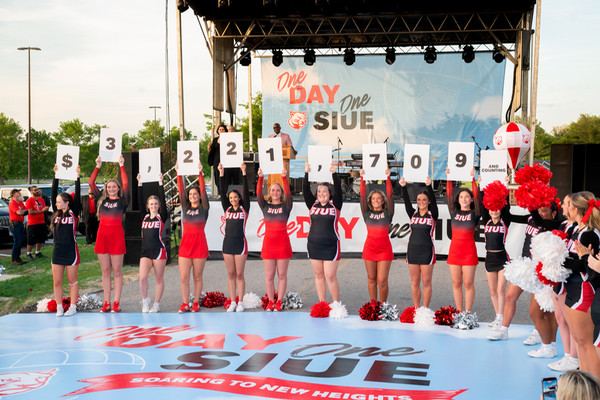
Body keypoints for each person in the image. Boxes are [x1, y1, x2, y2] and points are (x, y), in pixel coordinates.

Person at [488, 202, 562, 357]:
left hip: (540, 269)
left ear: (554, 213)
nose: (540, 213)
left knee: (537, 308)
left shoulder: (553, 225)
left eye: (544, 210)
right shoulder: (530, 218)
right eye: (539, 210)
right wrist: (502, 199)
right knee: (510, 297)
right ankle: (504, 330)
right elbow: (510, 217)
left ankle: (537, 333)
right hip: (525, 264)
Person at [562, 192, 600, 377]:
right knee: (578, 340)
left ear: (576, 209)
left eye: (568, 204)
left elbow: (584, 265)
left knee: (586, 343)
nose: (566, 207)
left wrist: (559, 260)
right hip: (572, 289)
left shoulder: (590, 234)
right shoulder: (576, 230)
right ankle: (585, 384)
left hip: (582, 290)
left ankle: (594, 387)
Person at [89, 155, 129, 313]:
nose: (111, 189)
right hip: (102, 237)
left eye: (114, 187)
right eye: (109, 187)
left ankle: (116, 302)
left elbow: (126, 183)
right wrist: (97, 165)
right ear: (106, 189)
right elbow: (91, 183)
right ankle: (106, 302)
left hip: (116, 237)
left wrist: (121, 166)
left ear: (118, 188)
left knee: (117, 271)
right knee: (105, 272)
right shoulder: (102, 200)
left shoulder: (123, 201)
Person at [303, 163, 343, 304]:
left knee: (330, 276)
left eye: (324, 192)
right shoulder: (312, 204)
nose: (321, 194)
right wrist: (307, 173)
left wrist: (334, 174)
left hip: (331, 246)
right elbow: (305, 190)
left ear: (329, 193)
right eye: (319, 192)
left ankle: (336, 304)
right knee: (319, 275)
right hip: (314, 246)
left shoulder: (335, 205)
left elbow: (338, 190)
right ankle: (322, 304)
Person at [548, 194, 579, 372]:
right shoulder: (562, 224)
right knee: (560, 318)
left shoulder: (576, 228)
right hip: (557, 276)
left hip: (569, 279)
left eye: (566, 203)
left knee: (570, 320)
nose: (562, 205)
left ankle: (573, 359)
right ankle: (567, 355)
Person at [257, 167, 293, 311]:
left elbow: (289, 195)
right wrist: (261, 178)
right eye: (273, 190)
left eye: (278, 190)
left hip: (283, 244)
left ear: (281, 193)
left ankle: (279, 302)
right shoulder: (265, 206)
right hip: (269, 245)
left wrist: (284, 178)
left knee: (282, 275)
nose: (275, 192)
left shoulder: (286, 206)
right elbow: (259, 194)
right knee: (269, 276)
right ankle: (271, 302)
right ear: (270, 193)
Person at [399, 175, 437, 308]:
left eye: (424, 200)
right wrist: (403, 187)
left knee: (426, 282)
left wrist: (428, 186)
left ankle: (425, 309)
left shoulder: (433, 214)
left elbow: (434, 199)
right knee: (415, 282)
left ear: (428, 201)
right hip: (413, 251)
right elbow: (407, 203)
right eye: (419, 200)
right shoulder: (413, 214)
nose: (421, 202)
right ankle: (416, 308)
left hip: (427, 251)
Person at [445, 167, 481, 312]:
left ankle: (468, 312)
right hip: (454, 252)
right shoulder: (454, 212)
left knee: (468, 283)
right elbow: (448, 195)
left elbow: (479, 199)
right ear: (458, 200)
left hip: (469, 252)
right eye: (461, 197)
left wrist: (473, 180)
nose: (464, 199)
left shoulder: (475, 213)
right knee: (456, 283)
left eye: (467, 196)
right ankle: (459, 312)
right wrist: (449, 178)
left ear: (471, 199)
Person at [176, 162, 209, 313]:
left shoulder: (204, 209)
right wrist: (178, 174)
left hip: (199, 246)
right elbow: (181, 191)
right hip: (185, 247)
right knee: (183, 277)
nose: (193, 196)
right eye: (191, 194)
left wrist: (200, 174)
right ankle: (184, 303)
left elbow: (203, 192)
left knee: (197, 276)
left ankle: (195, 302)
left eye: (195, 194)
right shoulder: (185, 207)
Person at [360, 166, 394, 302]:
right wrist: (362, 179)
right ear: (370, 200)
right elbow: (362, 197)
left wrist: (388, 178)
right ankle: (374, 305)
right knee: (371, 279)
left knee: (382, 280)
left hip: (384, 250)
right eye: (373, 199)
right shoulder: (367, 214)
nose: (376, 200)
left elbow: (391, 195)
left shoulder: (388, 213)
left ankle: (383, 305)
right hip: (369, 249)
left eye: (379, 198)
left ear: (382, 200)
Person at [219, 162, 250, 312]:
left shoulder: (245, 209)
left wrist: (244, 172)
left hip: (240, 244)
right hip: (227, 244)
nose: (233, 199)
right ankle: (232, 301)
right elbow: (222, 192)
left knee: (239, 273)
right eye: (230, 197)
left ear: (239, 197)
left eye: (235, 197)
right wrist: (221, 174)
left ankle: (241, 301)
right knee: (230, 274)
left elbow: (246, 193)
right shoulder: (227, 208)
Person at [50, 164, 81, 317]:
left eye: (59, 201)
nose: (56, 204)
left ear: (67, 202)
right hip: (57, 251)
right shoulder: (56, 213)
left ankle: (73, 306)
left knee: (72, 281)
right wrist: (56, 176)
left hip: (71, 251)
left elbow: (78, 195)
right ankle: (59, 307)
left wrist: (77, 177)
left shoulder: (73, 212)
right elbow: (53, 194)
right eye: (56, 202)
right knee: (57, 282)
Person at [480, 181, 511, 329]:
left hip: (503, 259)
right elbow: (482, 206)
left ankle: (500, 317)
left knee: (500, 290)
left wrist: (505, 186)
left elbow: (507, 206)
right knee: (493, 291)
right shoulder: (486, 221)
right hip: (489, 259)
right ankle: (497, 316)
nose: (494, 211)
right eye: (491, 209)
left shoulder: (505, 221)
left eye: (497, 209)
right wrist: (481, 187)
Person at [137, 173, 168, 313]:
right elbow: (139, 200)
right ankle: (145, 301)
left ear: (159, 205)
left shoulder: (162, 217)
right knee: (142, 278)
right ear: (148, 206)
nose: (154, 206)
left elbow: (162, 198)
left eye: (156, 204)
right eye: (151, 204)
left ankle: (156, 303)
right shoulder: (144, 216)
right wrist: (139, 183)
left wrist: (160, 182)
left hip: (158, 250)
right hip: (145, 251)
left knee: (159, 278)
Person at [208, 124, 240, 193]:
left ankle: (226, 193)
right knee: (217, 177)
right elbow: (212, 150)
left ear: (225, 131)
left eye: (223, 129)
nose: (221, 131)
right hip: (217, 161)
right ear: (218, 131)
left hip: (226, 161)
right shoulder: (215, 139)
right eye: (220, 130)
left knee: (226, 178)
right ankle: (220, 193)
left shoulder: (229, 139)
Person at [25, 185, 49, 260]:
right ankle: (28, 253)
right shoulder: (29, 200)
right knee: (31, 239)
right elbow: (31, 212)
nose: (37, 191)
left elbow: (44, 208)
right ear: (31, 191)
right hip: (33, 223)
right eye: (35, 190)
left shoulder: (41, 200)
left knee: (40, 239)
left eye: (37, 189)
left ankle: (37, 252)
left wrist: (46, 209)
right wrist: (41, 210)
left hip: (41, 221)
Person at [8, 189, 27, 265]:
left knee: (20, 241)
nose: (19, 193)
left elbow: (25, 211)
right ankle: (14, 259)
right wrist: (22, 211)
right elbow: (19, 212)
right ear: (14, 195)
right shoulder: (12, 203)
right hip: (15, 224)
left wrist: (22, 211)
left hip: (21, 223)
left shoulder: (20, 203)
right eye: (18, 192)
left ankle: (18, 258)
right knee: (17, 241)